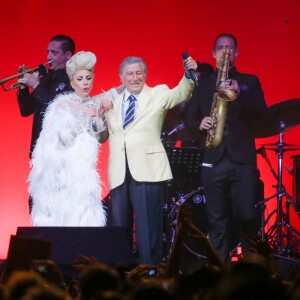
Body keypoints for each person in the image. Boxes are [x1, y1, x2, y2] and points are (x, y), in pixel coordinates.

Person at [103, 55, 197, 265]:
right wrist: (96, 116)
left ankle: (151, 275)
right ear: (121, 77)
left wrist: (189, 75)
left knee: (148, 230)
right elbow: (102, 135)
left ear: (145, 75)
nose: (135, 78)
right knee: (119, 230)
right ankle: (122, 276)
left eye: (139, 73)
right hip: (119, 172)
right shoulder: (112, 101)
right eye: (130, 73)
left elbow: (181, 93)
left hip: (148, 170)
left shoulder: (158, 93)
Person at [184, 33, 267, 261]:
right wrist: (199, 122)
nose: (225, 51)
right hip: (214, 157)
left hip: (242, 160)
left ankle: (252, 268)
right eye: (220, 47)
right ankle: (220, 271)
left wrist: (241, 93)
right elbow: (189, 117)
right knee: (216, 220)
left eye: (229, 48)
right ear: (213, 53)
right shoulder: (203, 86)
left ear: (237, 53)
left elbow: (261, 112)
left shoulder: (250, 81)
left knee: (246, 213)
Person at [28, 51, 107, 226]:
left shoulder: (96, 105)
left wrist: (98, 117)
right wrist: (84, 116)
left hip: (84, 172)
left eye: (88, 78)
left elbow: (101, 138)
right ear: (72, 82)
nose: (85, 83)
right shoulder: (61, 105)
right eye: (80, 79)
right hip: (63, 174)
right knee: (62, 218)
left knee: (84, 217)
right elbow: (63, 139)